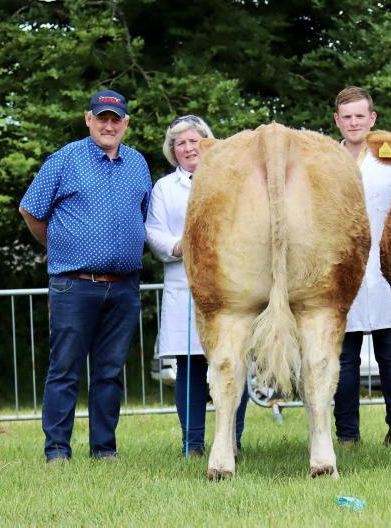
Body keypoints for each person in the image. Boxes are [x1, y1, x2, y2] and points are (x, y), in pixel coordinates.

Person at [19, 89, 152, 463]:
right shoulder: (65, 159)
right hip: (74, 284)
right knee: (65, 369)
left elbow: (143, 216)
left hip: (124, 286)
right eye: (102, 118)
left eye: (116, 120)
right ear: (88, 119)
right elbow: (30, 210)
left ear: (125, 123)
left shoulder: (137, 163)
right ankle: (57, 450)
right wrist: (60, 245)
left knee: (109, 372)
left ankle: (104, 449)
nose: (109, 126)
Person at [145, 115, 248, 458]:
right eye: (181, 143)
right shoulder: (164, 188)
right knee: (190, 367)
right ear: (172, 150)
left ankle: (231, 440)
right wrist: (182, 246)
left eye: (195, 141)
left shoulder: (231, 180)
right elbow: (154, 232)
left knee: (233, 363)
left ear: (208, 143)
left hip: (230, 285)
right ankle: (193, 444)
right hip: (185, 285)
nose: (189, 148)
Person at [332, 86, 391, 445]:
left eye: (360, 116)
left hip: (384, 269)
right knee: (343, 360)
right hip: (341, 271)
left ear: (372, 118)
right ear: (337, 120)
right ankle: (347, 434)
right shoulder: (327, 161)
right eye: (347, 117)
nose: (354, 123)